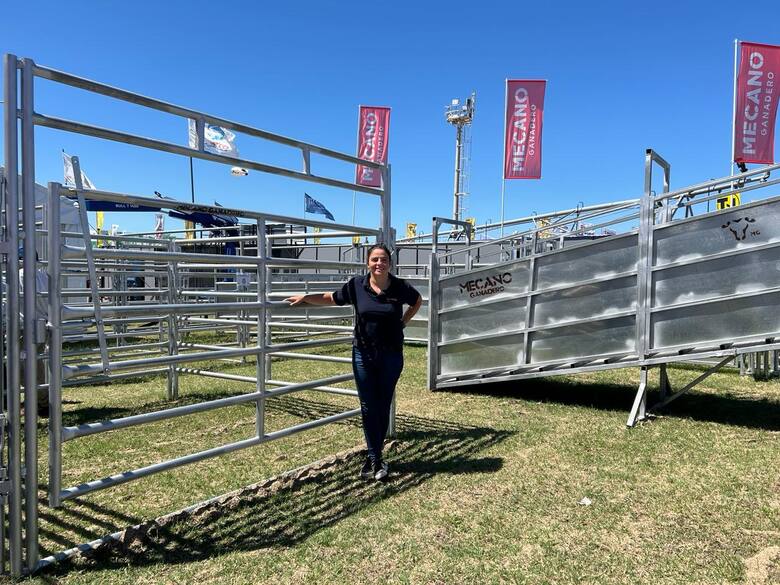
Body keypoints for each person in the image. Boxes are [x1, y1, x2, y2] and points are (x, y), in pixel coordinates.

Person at [285, 244, 421, 481]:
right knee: (368, 406)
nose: (379, 263)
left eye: (383, 259)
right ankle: (376, 459)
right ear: (368, 263)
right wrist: (306, 297)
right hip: (363, 354)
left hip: (391, 355)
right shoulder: (357, 285)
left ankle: (374, 457)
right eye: (375, 259)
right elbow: (331, 298)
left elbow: (417, 301)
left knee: (382, 404)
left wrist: (403, 322)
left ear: (390, 263)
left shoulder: (400, 287)